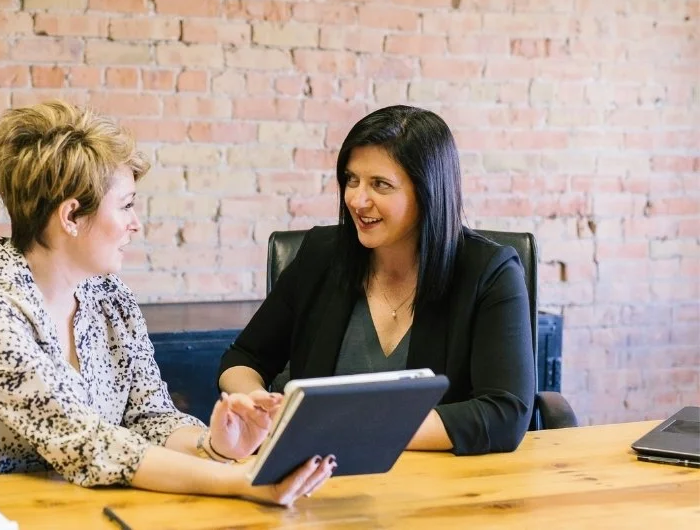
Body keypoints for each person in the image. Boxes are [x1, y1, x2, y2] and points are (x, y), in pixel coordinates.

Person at [0, 101, 334, 505]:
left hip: (64, 506)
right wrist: (241, 481)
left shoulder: (109, 296)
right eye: (125, 206)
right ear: (70, 216)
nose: (135, 224)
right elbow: (86, 443)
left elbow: (150, 417)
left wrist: (216, 446)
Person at [218, 105, 535, 455]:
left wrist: (350, 429)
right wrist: (256, 403)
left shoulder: (490, 272)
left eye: (380, 185)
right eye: (352, 180)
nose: (357, 199)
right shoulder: (321, 255)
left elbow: (505, 413)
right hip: (317, 479)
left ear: (428, 191)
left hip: (439, 484)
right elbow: (243, 358)